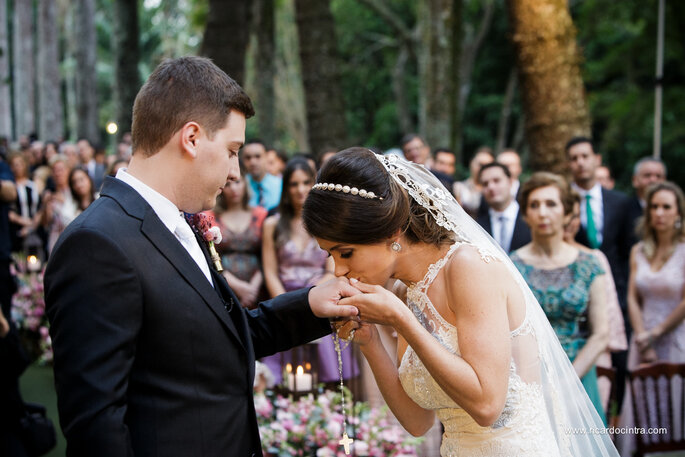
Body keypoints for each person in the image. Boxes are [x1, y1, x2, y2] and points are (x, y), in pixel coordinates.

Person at [44, 56, 359, 457]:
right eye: (232, 151)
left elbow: (221, 338)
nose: (236, 174)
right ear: (191, 138)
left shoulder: (181, 223)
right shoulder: (97, 244)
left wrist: (312, 305)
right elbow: (97, 427)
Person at [303, 148, 618, 456]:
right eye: (330, 255)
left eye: (345, 253)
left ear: (392, 232)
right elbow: (418, 421)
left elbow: (487, 406)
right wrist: (370, 342)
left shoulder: (467, 266)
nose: (338, 270)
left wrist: (403, 321)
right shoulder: (405, 291)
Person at [511, 172, 609, 423]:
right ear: (525, 215)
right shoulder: (510, 265)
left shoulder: (589, 263)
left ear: (567, 213)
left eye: (551, 204)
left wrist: (568, 382)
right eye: (534, 205)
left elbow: (601, 334)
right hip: (527, 375)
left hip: (578, 373)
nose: (542, 213)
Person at [261, 157, 357, 385]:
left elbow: (331, 269)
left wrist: (311, 301)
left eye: (306, 182)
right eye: (294, 184)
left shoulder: (327, 224)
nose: (300, 189)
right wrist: (286, 304)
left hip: (320, 293)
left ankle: (327, 399)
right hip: (283, 295)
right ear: (286, 187)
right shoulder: (272, 224)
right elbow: (270, 271)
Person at [627, 181, 685, 364]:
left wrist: (657, 332)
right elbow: (632, 298)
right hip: (643, 336)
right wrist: (642, 336)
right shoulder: (638, 251)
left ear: (678, 213)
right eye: (654, 207)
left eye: (666, 207)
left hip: (675, 334)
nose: (659, 213)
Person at [212, 162, 268, 309]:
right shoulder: (210, 217)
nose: (234, 189)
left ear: (245, 182)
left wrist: (253, 287)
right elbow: (210, 257)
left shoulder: (261, 215)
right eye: (228, 185)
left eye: (238, 182)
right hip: (225, 288)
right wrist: (237, 286)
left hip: (259, 288)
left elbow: (268, 255)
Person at [476, 162, 530, 253]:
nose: (491, 187)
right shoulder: (477, 226)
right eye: (485, 184)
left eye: (496, 180)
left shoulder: (529, 217)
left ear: (510, 182)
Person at [627, 157, 666, 246]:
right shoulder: (623, 209)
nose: (653, 180)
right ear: (635, 180)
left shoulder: (675, 210)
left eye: (658, 176)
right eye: (647, 175)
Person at [453, 146, 494, 217]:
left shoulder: (493, 190)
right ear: (471, 163)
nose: (483, 169)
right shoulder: (458, 187)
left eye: (487, 166)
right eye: (480, 164)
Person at [243, 139, 282, 211]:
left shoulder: (280, 185)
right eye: (248, 158)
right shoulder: (239, 187)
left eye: (257, 156)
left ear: (266, 157)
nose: (253, 162)